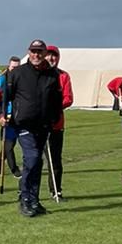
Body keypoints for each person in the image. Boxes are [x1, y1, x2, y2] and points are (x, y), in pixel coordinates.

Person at [0, 39, 62, 217]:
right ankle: (25, 199)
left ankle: (34, 199)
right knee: (32, 158)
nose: (36, 55)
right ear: (29, 52)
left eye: (40, 51)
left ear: (44, 53)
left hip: (43, 125)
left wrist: (54, 119)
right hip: (23, 124)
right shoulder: (18, 73)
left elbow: (56, 100)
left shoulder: (52, 75)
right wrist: (2, 114)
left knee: (37, 163)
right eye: (33, 51)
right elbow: (4, 97)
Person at [45, 45, 73, 199]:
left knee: (55, 160)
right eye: (49, 55)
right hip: (38, 124)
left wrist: (54, 108)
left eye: (54, 56)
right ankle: (27, 191)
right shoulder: (38, 74)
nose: (51, 58)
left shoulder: (63, 76)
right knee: (32, 160)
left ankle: (56, 190)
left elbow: (68, 98)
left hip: (56, 124)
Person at [0, 57, 22, 177]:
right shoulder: (3, 79)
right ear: (9, 66)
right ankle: (15, 170)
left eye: (17, 67)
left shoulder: (20, 78)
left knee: (8, 144)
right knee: (9, 144)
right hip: (7, 115)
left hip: (18, 115)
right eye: (13, 67)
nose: (15, 69)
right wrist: (1, 116)